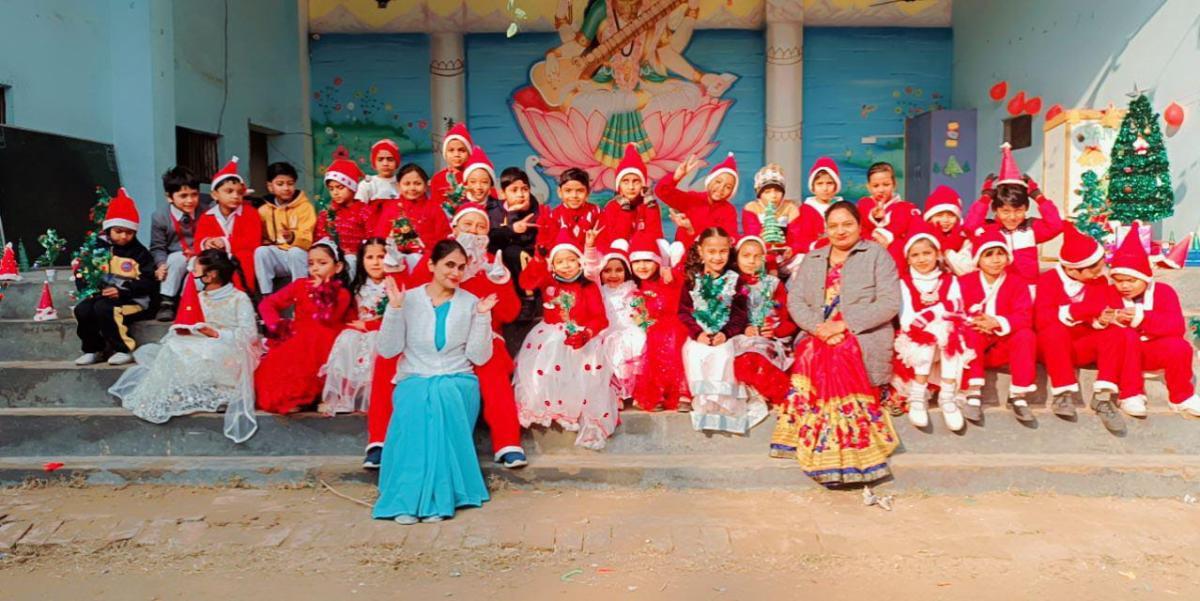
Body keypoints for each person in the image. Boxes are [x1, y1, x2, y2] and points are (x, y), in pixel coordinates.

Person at [771, 201, 901, 486]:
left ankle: (849, 455)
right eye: (833, 226)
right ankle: (825, 450)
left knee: (841, 353)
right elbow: (796, 302)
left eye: (847, 224)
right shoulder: (814, 258)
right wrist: (820, 329)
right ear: (825, 229)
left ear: (860, 225)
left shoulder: (877, 255)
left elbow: (890, 303)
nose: (840, 231)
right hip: (818, 333)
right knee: (812, 351)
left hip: (863, 332)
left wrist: (843, 325)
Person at [372, 240, 497, 524]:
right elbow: (388, 350)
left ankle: (439, 498)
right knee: (420, 396)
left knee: (442, 391)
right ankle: (406, 499)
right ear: (431, 265)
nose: (455, 272)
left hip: (457, 379)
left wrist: (482, 317)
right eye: (449, 265)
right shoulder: (408, 298)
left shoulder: (470, 302)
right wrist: (394, 310)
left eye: (461, 267)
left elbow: (479, 356)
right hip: (415, 377)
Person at [110, 249, 261, 442]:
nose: (192, 270)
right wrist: (186, 330)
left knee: (209, 351)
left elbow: (250, 334)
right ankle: (185, 389)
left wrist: (217, 334)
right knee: (174, 345)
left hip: (230, 346)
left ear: (212, 274)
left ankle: (221, 393)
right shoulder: (200, 297)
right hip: (202, 340)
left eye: (197, 266)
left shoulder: (238, 298)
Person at [514, 229, 615, 449]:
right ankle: (550, 408)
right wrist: (538, 259)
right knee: (549, 356)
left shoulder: (588, 285)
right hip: (549, 334)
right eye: (560, 261)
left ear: (580, 262)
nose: (566, 265)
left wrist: (586, 334)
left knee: (582, 369)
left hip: (581, 335)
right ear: (553, 265)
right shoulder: (548, 281)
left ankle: (571, 409)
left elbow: (600, 318)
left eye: (571, 260)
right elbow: (527, 283)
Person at [1035, 225, 1133, 435]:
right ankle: (1062, 394)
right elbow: (1042, 320)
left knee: (1115, 333)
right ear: (1072, 270)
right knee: (1053, 331)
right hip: (1054, 348)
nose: (1099, 274)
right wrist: (1081, 310)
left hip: (1083, 343)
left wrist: (1101, 320)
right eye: (1093, 270)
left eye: (1101, 268)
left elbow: (1097, 314)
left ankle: (1103, 397)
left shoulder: (1098, 281)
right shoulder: (1048, 281)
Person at [1106, 227, 1200, 417]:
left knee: (1180, 347)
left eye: (1131, 280)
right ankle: (1130, 393)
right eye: (1119, 280)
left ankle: (1181, 397)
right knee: (1126, 335)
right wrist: (1113, 318)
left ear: (1145, 278)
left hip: (1152, 349)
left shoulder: (1164, 292)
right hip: (1122, 354)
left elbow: (1176, 326)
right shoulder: (1108, 293)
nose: (1124, 286)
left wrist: (1142, 318)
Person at [892, 222, 975, 432]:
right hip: (915, 341)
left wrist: (933, 315)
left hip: (945, 341)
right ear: (908, 258)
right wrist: (934, 318)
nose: (922, 259)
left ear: (937, 254)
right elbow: (907, 318)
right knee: (931, 336)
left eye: (927, 253)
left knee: (950, 333)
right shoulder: (904, 283)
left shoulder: (949, 280)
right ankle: (917, 396)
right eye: (915, 255)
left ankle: (948, 397)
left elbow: (957, 308)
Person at [255, 240, 353, 414]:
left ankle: (319, 396)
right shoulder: (300, 285)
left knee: (315, 345)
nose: (315, 268)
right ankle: (294, 398)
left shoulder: (342, 293)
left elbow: (329, 317)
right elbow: (267, 304)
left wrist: (322, 291)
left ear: (338, 267)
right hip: (299, 335)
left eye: (322, 263)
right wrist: (276, 325)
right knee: (285, 359)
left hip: (327, 337)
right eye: (311, 263)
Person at [678, 227, 757, 433]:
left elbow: (740, 315)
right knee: (694, 353)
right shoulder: (692, 279)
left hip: (725, 334)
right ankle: (705, 404)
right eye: (711, 252)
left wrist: (726, 333)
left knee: (723, 355)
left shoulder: (735, 280)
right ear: (701, 251)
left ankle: (723, 405)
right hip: (700, 334)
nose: (717, 257)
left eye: (723, 251)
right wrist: (697, 334)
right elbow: (684, 312)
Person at [72, 188, 159, 366]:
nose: (124, 236)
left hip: (132, 300)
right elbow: (82, 272)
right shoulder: (96, 249)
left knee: (106, 309)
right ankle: (93, 349)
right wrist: (89, 289)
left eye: (129, 232)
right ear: (109, 229)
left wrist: (123, 291)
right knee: (83, 309)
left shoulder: (140, 253)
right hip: (101, 296)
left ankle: (124, 349)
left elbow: (149, 282)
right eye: (119, 231)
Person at [959, 229, 1038, 422]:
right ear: (978, 259)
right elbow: (954, 311)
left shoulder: (1017, 282)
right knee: (970, 332)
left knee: (1026, 335)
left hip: (1003, 346)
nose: (995, 260)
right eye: (988, 255)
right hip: (976, 344)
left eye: (1000, 254)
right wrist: (976, 321)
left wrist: (997, 322)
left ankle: (1018, 394)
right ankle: (973, 392)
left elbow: (1024, 315)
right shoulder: (965, 282)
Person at [964, 143, 1064, 292]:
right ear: (995, 209)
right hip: (998, 289)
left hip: (1029, 289)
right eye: (1005, 211)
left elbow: (1056, 225)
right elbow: (969, 227)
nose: (1012, 217)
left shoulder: (1030, 228)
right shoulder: (989, 229)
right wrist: (985, 198)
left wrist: (1039, 197)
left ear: (1026, 208)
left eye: (1018, 210)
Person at [320, 238, 389, 415]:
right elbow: (350, 317)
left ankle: (374, 395)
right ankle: (346, 396)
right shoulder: (358, 287)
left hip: (383, 330)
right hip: (359, 330)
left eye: (381, 257)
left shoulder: (393, 285)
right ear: (361, 260)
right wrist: (358, 327)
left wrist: (370, 325)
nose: (375, 262)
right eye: (370, 257)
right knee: (347, 338)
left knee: (374, 340)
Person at [730, 235, 796, 409]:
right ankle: (756, 391)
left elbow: (789, 318)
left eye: (757, 256)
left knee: (763, 355)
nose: (752, 261)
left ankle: (770, 393)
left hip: (771, 338)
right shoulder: (731, 284)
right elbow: (726, 316)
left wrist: (775, 331)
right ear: (736, 258)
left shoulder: (774, 284)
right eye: (746, 256)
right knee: (744, 357)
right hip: (742, 337)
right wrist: (743, 329)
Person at [628, 229, 690, 412]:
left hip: (675, 324)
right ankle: (657, 393)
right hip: (652, 327)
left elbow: (688, 260)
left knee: (672, 340)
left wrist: (687, 230)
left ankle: (681, 391)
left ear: (658, 261)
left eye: (647, 261)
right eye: (636, 262)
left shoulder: (669, 277)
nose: (642, 266)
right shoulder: (635, 285)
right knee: (653, 342)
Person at [583, 235, 645, 404]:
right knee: (608, 347)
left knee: (637, 342)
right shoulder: (599, 291)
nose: (613, 275)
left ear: (627, 272)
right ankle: (615, 392)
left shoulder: (632, 290)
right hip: (606, 330)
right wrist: (590, 247)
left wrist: (641, 319)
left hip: (629, 330)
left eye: (619, 270)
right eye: (607, 270)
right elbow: (590, 269)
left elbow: (641, 313)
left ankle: (636, 391)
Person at [194, 157, 263, 294]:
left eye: (239, 192)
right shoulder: (207, 217)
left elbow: (253, 241)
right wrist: (207, 242)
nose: (235, 196)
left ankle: (243, 295)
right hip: (216, 258)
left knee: (244, 258)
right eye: (229, 191)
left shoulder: (250, 213)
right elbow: (198, 242)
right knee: (198, 265)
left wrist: (224, 242)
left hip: (241, 257)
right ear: (215, 195)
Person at [150, 166, 210, 321]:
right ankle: (167, 302)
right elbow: (157, 247)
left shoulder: (206, 212)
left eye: (194, 194)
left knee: (201, 265)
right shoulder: (160, 217)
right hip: (177, 256)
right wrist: (160, 264)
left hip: (200, 253)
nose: (190, 200)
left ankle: (187, 303)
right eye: (183, 196)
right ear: (169, 197)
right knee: (176, 260)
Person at [372, 163, 451, 273]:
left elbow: (443, 237)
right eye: (407, 184)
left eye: (417, 183)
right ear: (398, 186)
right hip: (394, 262)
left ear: (426, 186)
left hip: (426, 261)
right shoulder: (391, 208)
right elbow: (380, 235)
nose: (412, 188)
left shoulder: (434, 208)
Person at [654, 152, 740, 248]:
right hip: (685, 252)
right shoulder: (692, 199)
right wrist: (676, 177)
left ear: (731, 192)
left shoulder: (729, 211)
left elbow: (730, 239)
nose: (721, 188)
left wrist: (691, 230)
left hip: (712, 254)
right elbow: (662, 191)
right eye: (718, 182)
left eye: (728, 187)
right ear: (709, 181)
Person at [487, 166, 542, 316]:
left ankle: (529, 299)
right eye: (514, 190)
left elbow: (526, 240)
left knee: (514, 252)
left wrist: (514, 214)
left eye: (525, 189)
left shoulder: (533, 210)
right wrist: (512, 224)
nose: (520, 194)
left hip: (524, 255)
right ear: (502, 193)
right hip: (500, 256)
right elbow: (492, 238)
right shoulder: (493, 210)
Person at [254, 162, 316, 294]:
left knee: (295, 252)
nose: (286, 188)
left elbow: (307, 240)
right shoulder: (264, 210)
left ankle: (300, 294)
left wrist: (292, 237)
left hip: (300, 256)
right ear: (270, 187)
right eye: (280, 184)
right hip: (279, 257)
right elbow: (262, 237)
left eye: (290, 183)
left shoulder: (305, 207)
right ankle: (266, 295)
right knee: (261, 251)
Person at [856, 162, 920, 268]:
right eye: (875, 186)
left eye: (886, 184)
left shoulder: (906, 208)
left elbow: (909, 232)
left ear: (894, 184)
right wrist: (873, 216)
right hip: (867, 261)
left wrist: (886, 236)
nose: (881, 190)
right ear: (868, 187)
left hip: (896, 262)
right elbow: (860, 229)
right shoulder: (863, 205)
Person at [598, 143, 664, 246]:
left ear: (643, 184)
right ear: (619, 185)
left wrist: (651, 208)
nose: (631, 187)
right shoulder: (612, 207)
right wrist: (625, 210)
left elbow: (656, 236)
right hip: (618, 253)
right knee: (620, 243)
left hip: (643, 252)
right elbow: (617, 240)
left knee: (662, 244)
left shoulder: (649, 204)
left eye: (636, 181)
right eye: (625, 181)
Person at [315, 158, 372, 277]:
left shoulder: (364, 211)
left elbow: (371, 239)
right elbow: (320, 240)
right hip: (332, 260)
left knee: (350, 260)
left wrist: (357, 252)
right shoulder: (326, 214)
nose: (335, 192)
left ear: (352, 188)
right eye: (331, 189)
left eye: (340, 187)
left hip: (357, 260)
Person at [787, 157, 845, 265]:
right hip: (814, 256)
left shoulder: (844, 208)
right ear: (813, 187)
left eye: (829, 183)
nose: (825, 188)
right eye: (820, 183)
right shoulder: (805, 210)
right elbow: (801, 240)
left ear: (836, 185)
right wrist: (819, 244)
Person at [742, 163, 799, 267]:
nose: (773, 196)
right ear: (759, 194)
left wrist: (792, 249)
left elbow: (796, 236)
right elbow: (752, 236)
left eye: (777, 191)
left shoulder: (790, 208)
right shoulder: (752, 208)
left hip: (786, 256)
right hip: (761, 255)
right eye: (767, 192)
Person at [536, 167, 601, 253]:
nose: (574, 195)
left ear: (588, 192)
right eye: (568, 190)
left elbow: (603, 242)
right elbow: (549, 246)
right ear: (560, 192)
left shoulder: (596, 212)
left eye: (580, 191)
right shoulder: (554, 216)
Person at [923, 185, 974, 276]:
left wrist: (947, 251)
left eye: (950, 215)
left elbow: (967, 271)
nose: (945, 220)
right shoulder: (922, 239)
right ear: (929, 218)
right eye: (939, 215)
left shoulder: (964, 238)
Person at [429, 123, 473, 216]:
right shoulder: (437, 179)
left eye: (461, 150)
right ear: (445, 153)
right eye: (451, 150)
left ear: (469, 152)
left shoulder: (475, 176)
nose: (456, 154)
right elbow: (434, 209)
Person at [355, 139, 401, 206]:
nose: (385, 164)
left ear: (396, 162)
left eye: (390, 159)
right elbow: (358, 208)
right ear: (374, 163)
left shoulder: (404, 182)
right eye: (380, 159)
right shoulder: (367, 184)